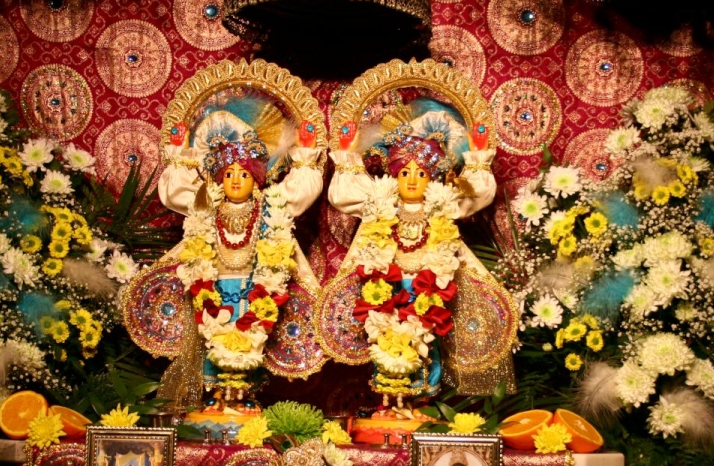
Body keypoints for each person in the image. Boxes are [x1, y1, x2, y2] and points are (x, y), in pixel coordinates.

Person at [322, 103, 515, 413]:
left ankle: (420, 405)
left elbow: (476, 193)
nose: (412, 180)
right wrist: (348, 156)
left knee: (426, 344)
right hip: (388, 289)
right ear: (393, 176)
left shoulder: (442, 205)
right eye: (404, 172)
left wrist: (478, 158)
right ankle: (388, 403)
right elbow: (344, 194)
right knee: (385, 339)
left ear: (433, 178)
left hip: (427, 290)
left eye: (421, 173)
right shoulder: (381, 203)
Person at [154, 97, 324, 412]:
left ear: (256, 179)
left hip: (253, 289)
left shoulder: (270, 205)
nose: (235, 180)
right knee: (214, 338)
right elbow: (176, 193)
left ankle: (245, 397)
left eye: (244, 174)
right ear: (219, 177)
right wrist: (180, 155)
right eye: (229, 173)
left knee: (250, 338)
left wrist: (304, 154)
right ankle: (216, 397)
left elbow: (300, 191)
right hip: (215, 289)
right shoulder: (207, 203)